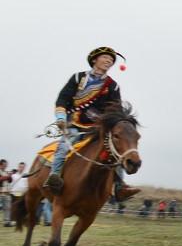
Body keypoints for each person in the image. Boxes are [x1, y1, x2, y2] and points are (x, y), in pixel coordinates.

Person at [46, 47, 138, 201]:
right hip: (74, 123)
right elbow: (62, 99)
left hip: (97, 128)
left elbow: (116, 110)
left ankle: (120, 187)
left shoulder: (112, 86)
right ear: (94, 59)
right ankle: (54, 178)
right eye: (105, 57)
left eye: (111, 60)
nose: (109, 61)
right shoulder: (77, 78)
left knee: (116, 150)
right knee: (63, 148)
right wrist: (61, 118)